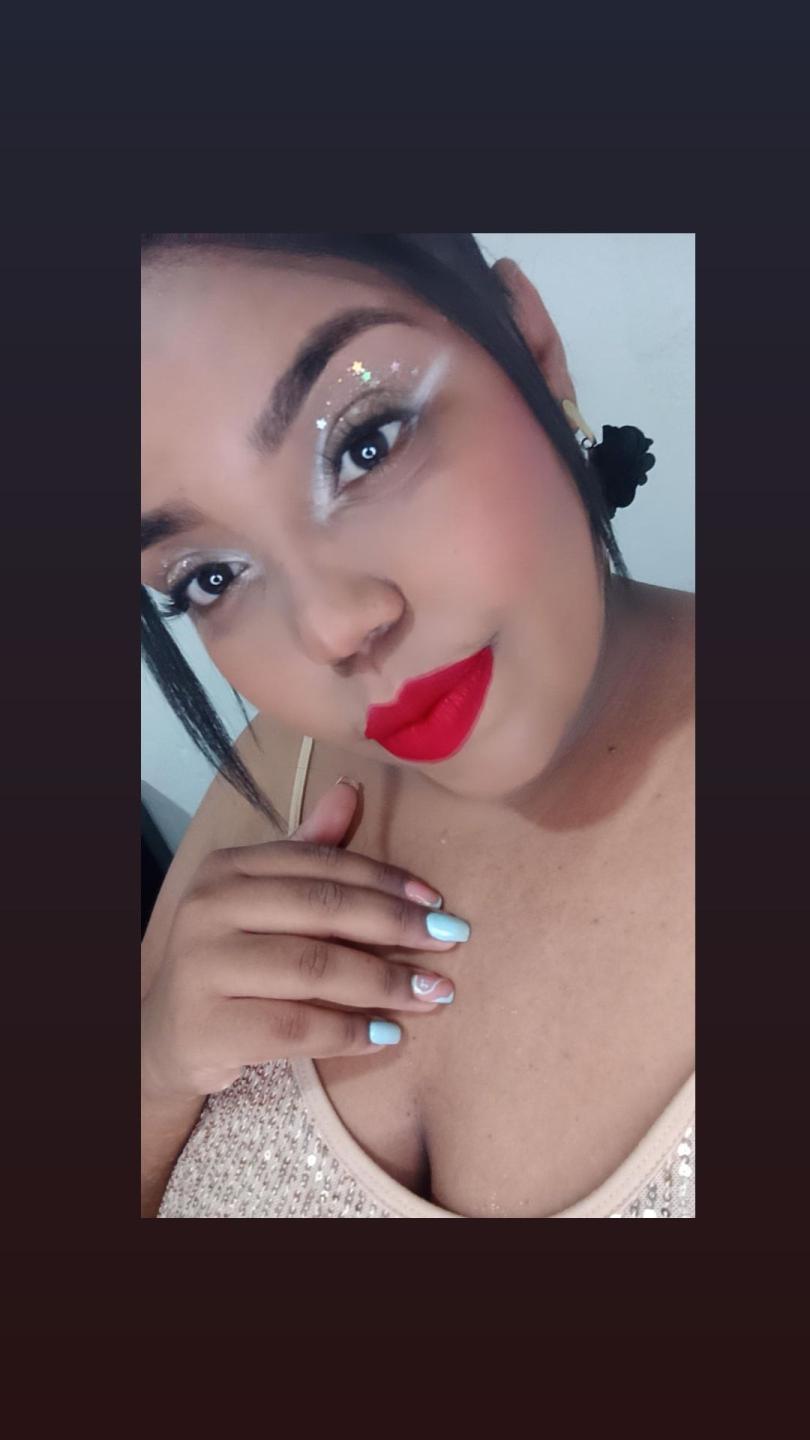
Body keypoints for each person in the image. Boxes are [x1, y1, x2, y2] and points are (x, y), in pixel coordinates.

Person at [141, 233, 694, 1219]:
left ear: (531, 345)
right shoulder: (278, 768)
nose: (329, 628)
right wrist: (152, 1074)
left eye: (367, 443)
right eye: (211, 577)